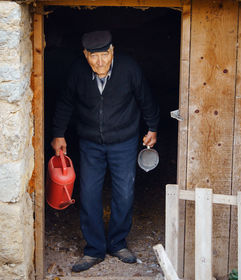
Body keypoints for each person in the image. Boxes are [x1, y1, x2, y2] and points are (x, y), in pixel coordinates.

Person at [51, 30, 160, 272]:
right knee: (89, 193)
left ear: (112, 52)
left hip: (124, 141)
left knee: (124, 193)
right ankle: (94, 249)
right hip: (90, 143)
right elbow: (66, 101)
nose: (100, 62)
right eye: (93, 56)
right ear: (85, 55)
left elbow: (145, 98)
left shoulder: (129, 69)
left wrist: (152, 127)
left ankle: (118, 243)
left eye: (104, 55)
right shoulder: (78, 71)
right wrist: (58, 133)